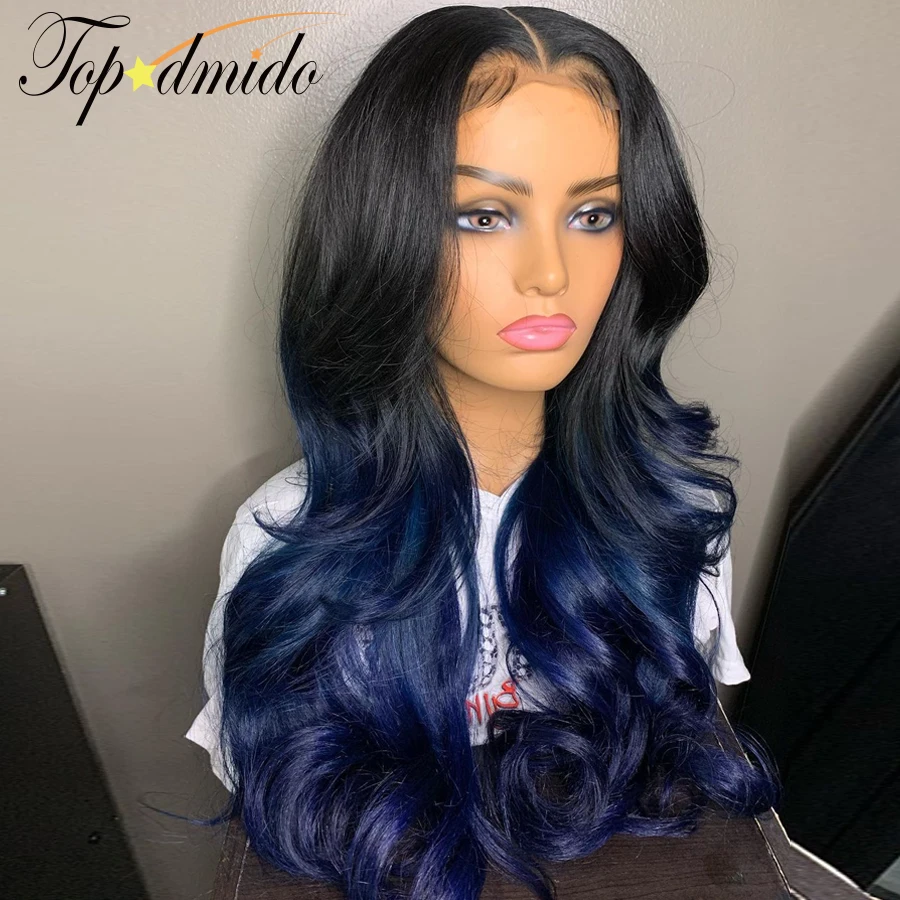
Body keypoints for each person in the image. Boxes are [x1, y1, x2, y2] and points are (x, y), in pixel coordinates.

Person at [184, 7, 781, 899]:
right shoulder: (288, 543)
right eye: (485, 215)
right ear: (386, 232)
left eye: (593, 214)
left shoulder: (671, 521)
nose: (550, 273)